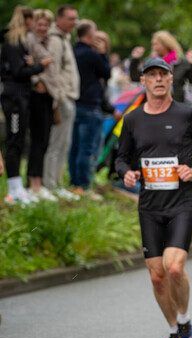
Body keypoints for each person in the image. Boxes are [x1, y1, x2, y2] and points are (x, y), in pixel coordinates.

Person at [115, 57, 192, 338]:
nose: (158, 80)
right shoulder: (134, 119)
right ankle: (174, 330)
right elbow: (121, 157)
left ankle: (186, 321)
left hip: (182, 202)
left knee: (174, 267)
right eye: (152, 75)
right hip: (150, 204)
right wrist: (127, 172)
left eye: (163, 74)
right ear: (144, 82)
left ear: (170, 79)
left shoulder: (186, 114)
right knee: (156, 275)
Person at [1, 5, 51, 205]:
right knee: (14, 141)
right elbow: (18, 71)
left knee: (21, 140)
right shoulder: (12, 42)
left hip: (22, 97)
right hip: (13, 98)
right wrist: (40, 66)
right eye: (32, 20)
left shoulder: (22, 44)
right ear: (26, 20)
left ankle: (18, 186)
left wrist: (31, 65)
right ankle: (13, 188)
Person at [68, 20, 109, 198]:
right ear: (90, 34)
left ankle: (74, 182)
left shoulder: (72, 51)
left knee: (74, 147)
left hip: (74, 104)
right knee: (87, 148)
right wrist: (102, 54)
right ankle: (84, 186)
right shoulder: (92, 55)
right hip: (90, 106)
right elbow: (106, 72)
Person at [42, 4, 80, 201]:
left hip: (69, 97)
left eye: (76, 18)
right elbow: (52, 70)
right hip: (62, 98)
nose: (74, 22)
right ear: (60, 19)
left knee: (64, 143)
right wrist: (58, 98)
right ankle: (49, 184)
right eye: (71, 18)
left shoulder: (65, 39)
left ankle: (56, 183)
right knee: (56, 144)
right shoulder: (55, 40)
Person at [26, 9, 59, 202]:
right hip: (36, 94)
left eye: (46, 24)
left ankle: (39, 181)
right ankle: (33, 183)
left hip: (50, 95)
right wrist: (37, 80)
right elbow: (29, 67)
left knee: (45, 140)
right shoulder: (30, 40)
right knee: (37, 140)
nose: (43, 27)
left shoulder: (49, 42)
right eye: (40, 23)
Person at [129, 31, 192, 103]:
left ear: (166, 44)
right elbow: (135, 77)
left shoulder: (180, 62)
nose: (154, 47)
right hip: (153, 104)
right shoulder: (150, 62)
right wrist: (135, 60)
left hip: (176, 104)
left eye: (156, 44)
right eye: (153, 45)